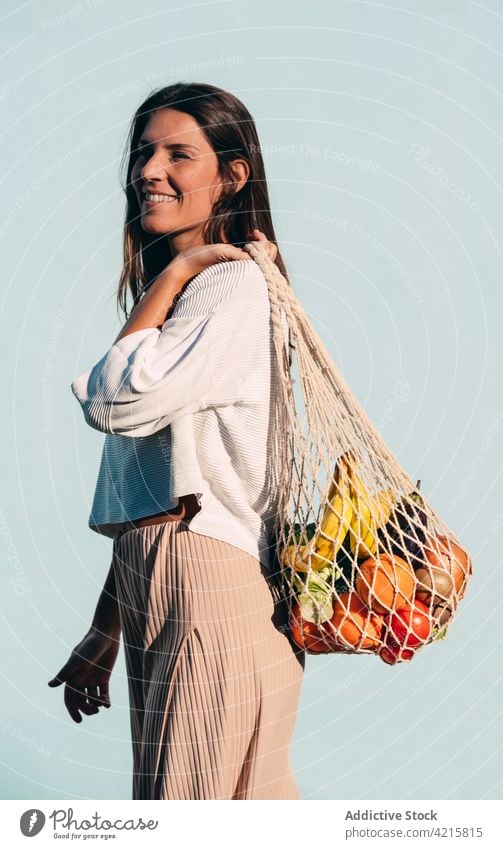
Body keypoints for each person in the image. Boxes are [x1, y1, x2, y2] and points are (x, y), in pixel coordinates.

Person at [48, 82, 305, 800]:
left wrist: (186, 266)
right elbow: (157, 491)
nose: (148, 170)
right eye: (142, 152)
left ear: (232, 174)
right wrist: (107, 629)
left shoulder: (225, 287)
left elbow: (110, 399)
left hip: (204, 585)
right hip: (174, 582)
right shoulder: (193, 303)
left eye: (178, 154)